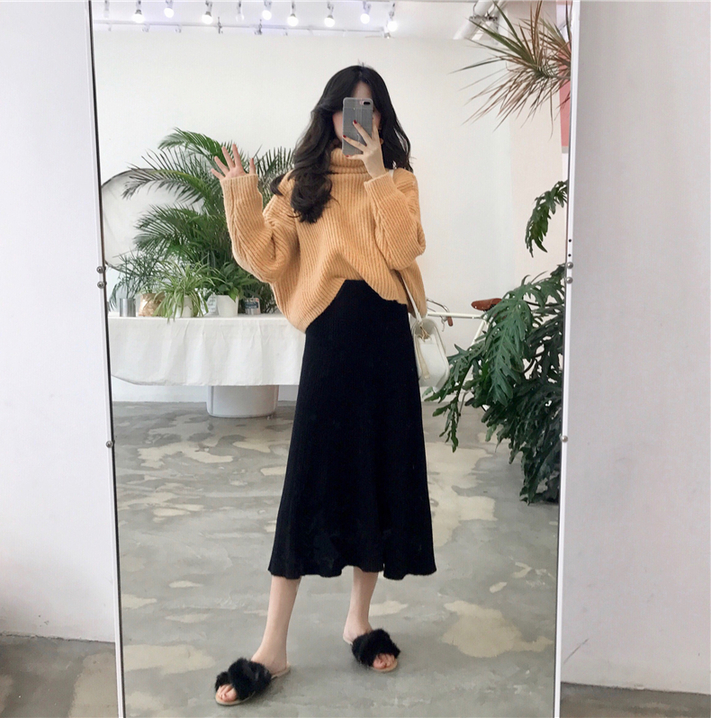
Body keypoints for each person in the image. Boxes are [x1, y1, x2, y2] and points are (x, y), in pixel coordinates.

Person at [209, 64, 436, 707]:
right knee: (307, 485)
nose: (356, 118)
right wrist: (241, 196)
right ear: (328, 114)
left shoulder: (399, 180)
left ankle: (358, 621)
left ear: (381, 117)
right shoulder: (300, 183)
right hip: (331, 346)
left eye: (369, 107)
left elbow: (404, 250)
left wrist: (378, 174)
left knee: (378, 479)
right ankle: (272, 648)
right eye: (346, 107)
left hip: (386, 343)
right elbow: (265, 259)